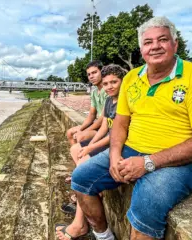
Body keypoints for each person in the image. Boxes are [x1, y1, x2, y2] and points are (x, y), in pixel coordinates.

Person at [70, 16, 192, 240]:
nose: (155, 46)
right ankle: (103, 236)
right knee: (81, 178)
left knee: (146, 206)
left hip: (181, 162)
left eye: (163, 39)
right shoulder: (131, 78)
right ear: (141, 49)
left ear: (175, 44)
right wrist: (114, 155)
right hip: (132, 149)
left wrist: (149, 162)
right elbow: (120, 123)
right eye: (148, 42)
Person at [56, 64, 126, 240]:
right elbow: (104, 126)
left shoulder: (124, 102)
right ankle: (84, 195)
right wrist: (90, 144)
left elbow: (116, 134)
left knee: (83, 167)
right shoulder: (110, 100)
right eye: (107, 82)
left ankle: (80, 224)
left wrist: (91, 147)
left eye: (114, 82)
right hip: (107, 140)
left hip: (119, 145)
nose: (109, 86)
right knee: (76, 149)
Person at [66, 61, 108, 146]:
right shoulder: (94, 92)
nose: (91, 76)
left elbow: (102, 119)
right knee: (70, 132)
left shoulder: (108, 91)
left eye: (94, 72)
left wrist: (84, 131)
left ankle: (83, 157)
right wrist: (81, 129)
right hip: (98, 126)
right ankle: (77, 157)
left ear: (102, 72)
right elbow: (91, 115)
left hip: (107, 127)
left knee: (80, 137)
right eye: (89, 74)